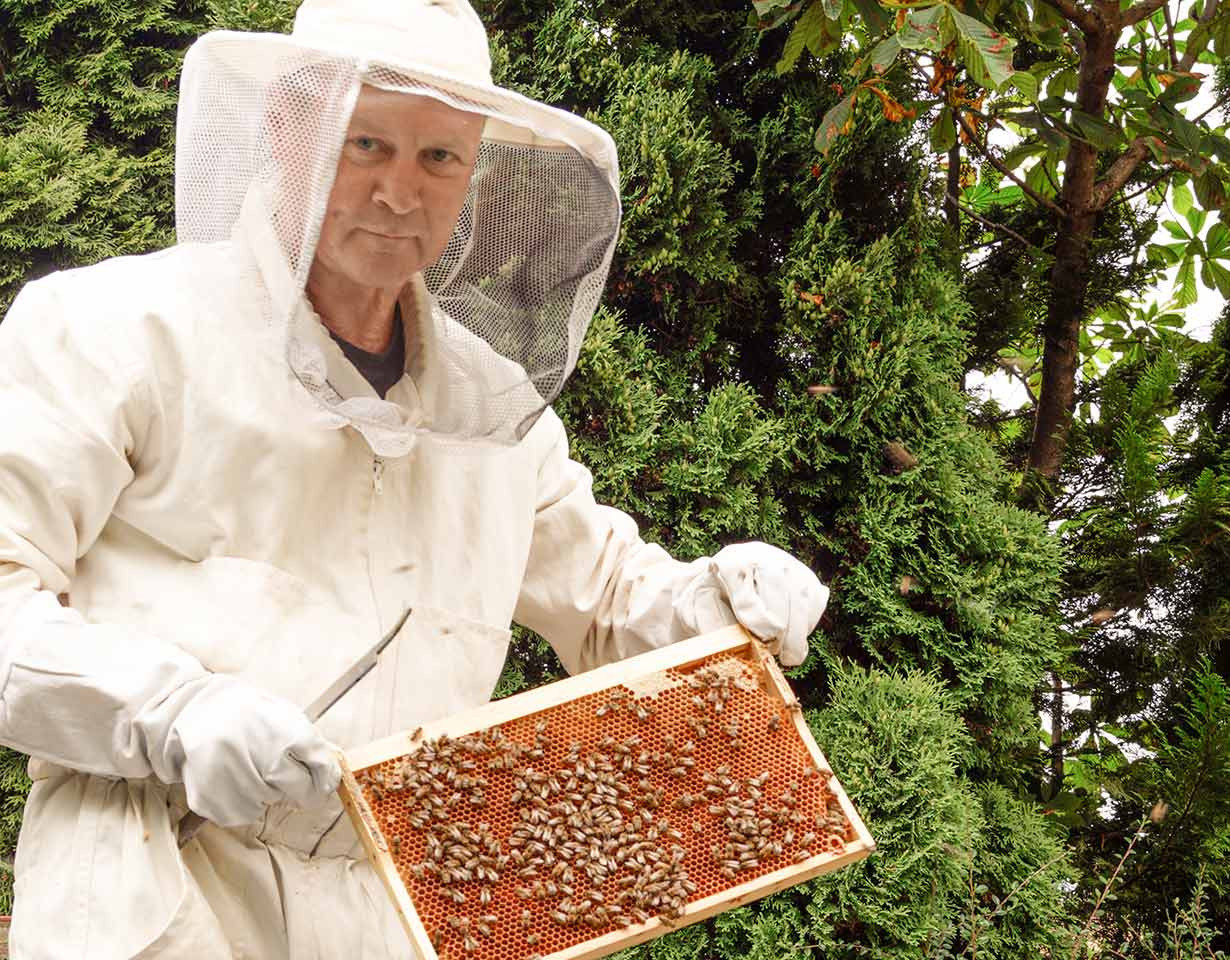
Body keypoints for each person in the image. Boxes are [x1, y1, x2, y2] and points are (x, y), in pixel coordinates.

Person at [0, 0, 829, 956]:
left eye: (440, 157)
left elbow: (606, 599)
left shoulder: (493, 407)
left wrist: (714, 601)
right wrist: (170, 711)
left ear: (474, 172)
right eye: (366, 144)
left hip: (403, 914)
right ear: (287, 132)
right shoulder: (112, 328)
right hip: (158, 889)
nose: (402, 191)